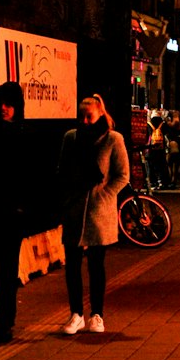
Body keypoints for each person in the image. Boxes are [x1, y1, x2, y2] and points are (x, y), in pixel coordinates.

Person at [57, 94, 129, 335]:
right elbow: (62, 169)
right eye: (81, 116)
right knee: (73, 265)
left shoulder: (112, 139)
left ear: (100, 114)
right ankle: (75, 314)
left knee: (96, 265)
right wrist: (68, 194)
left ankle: (97, 314)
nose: (85, 121)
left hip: (99, 212)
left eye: (89, 116)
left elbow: (122, 174)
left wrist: (105, 195)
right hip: (75, 209)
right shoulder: (71, 138)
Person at [0, 81, 28, 342]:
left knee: (6, 267)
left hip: (10, 213)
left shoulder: (21, 135)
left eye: (9, 104)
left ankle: (6, 318)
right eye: (1, 103)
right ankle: (4, 316)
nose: (4, 108)